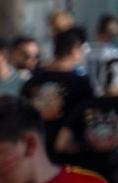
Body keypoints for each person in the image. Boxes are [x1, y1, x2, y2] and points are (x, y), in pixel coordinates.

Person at [23, 28, 93, 164]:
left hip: (34, 157)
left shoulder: (32, 82)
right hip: (68, 161)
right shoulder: (81, 85)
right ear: (74, 51)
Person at [86, 15, 118, 95]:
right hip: (106, 97)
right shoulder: (114, 52)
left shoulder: (85, 49)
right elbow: (117, 81)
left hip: (88, 95)